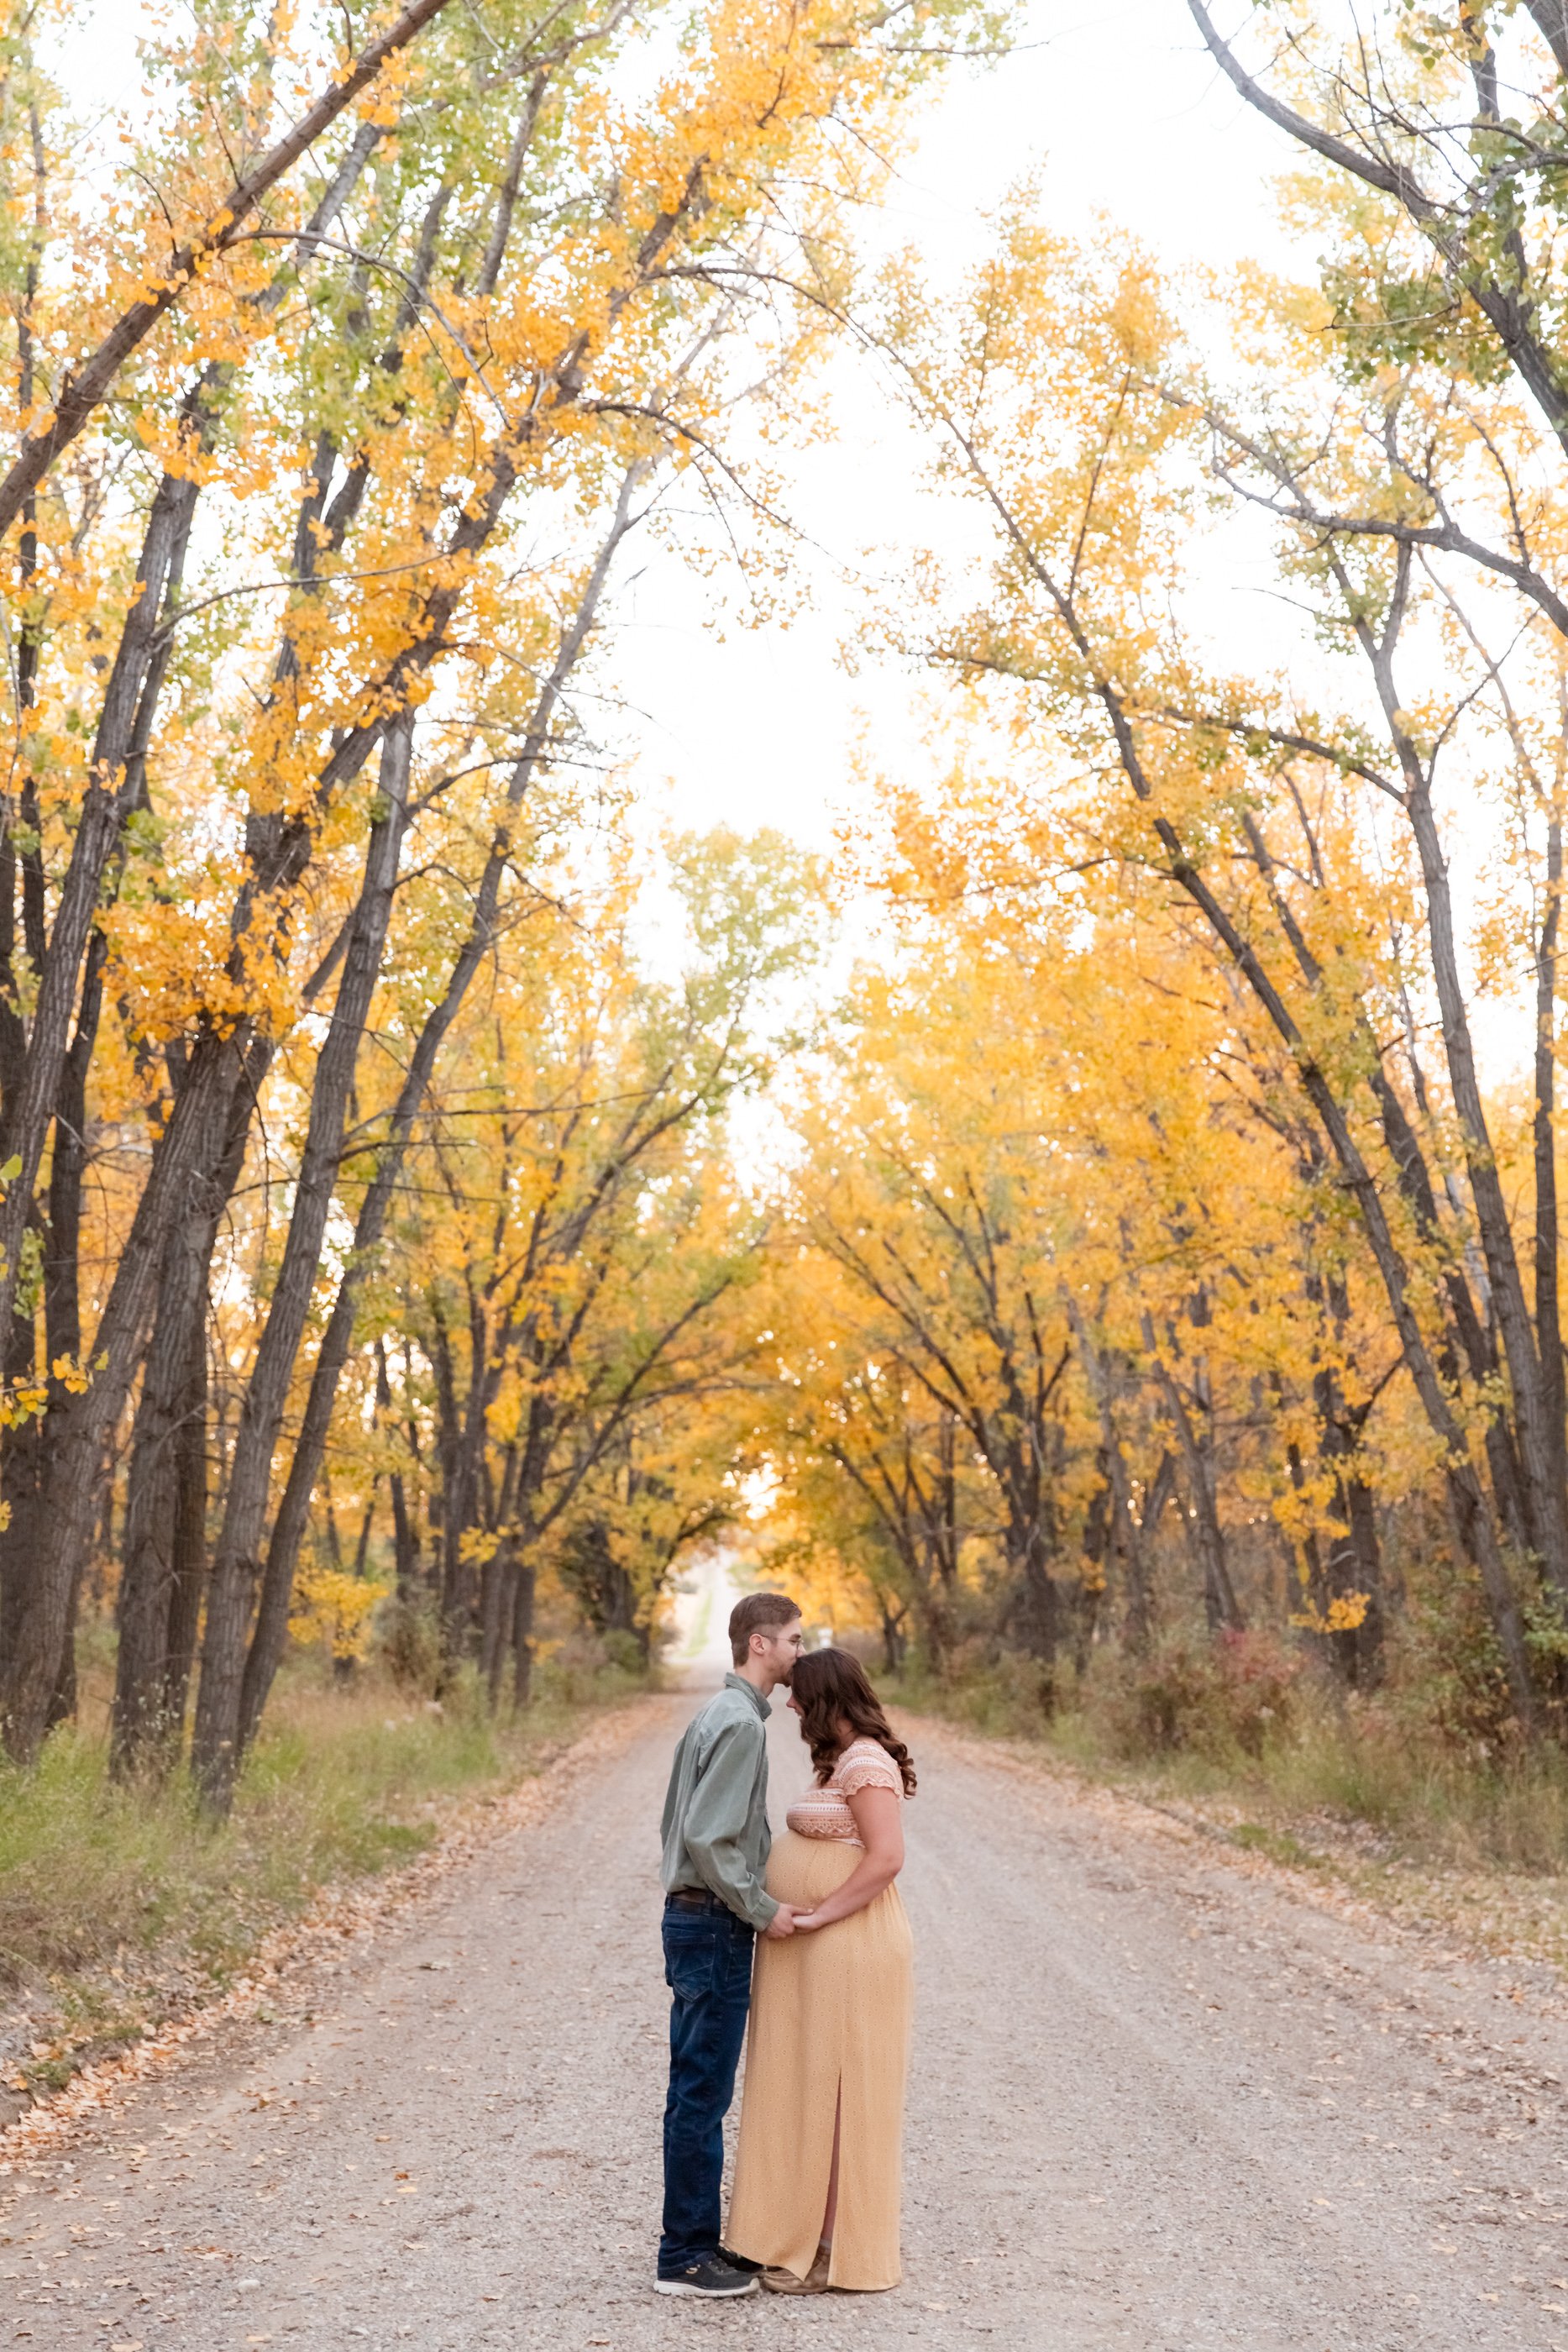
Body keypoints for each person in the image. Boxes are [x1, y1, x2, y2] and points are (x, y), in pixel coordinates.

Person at [726, 1645, 916, 2296]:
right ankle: (798, 2234)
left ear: (825, 1697)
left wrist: (822, 1911)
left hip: (850, 1945)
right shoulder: (841, 1761)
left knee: (840, 2094)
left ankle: (834, 2249)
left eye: (800, 1694)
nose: (793, 1704)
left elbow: (887, 1857)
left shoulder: (866, 1761)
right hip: (820, 1950)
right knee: (810, 2087)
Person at [654, 1589, 805, 2299]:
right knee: (701, 2093)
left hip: (696, 1919)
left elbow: (679, 1825)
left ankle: (695, 2243)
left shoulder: (719, 1714)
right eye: (793, 1641)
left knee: (695, 2089)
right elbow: (706, 1838)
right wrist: (761, 1907)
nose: (798, 1652)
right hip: (715, 1921)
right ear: (759, 1645)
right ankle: (684, 2256)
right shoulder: (739, 1724)